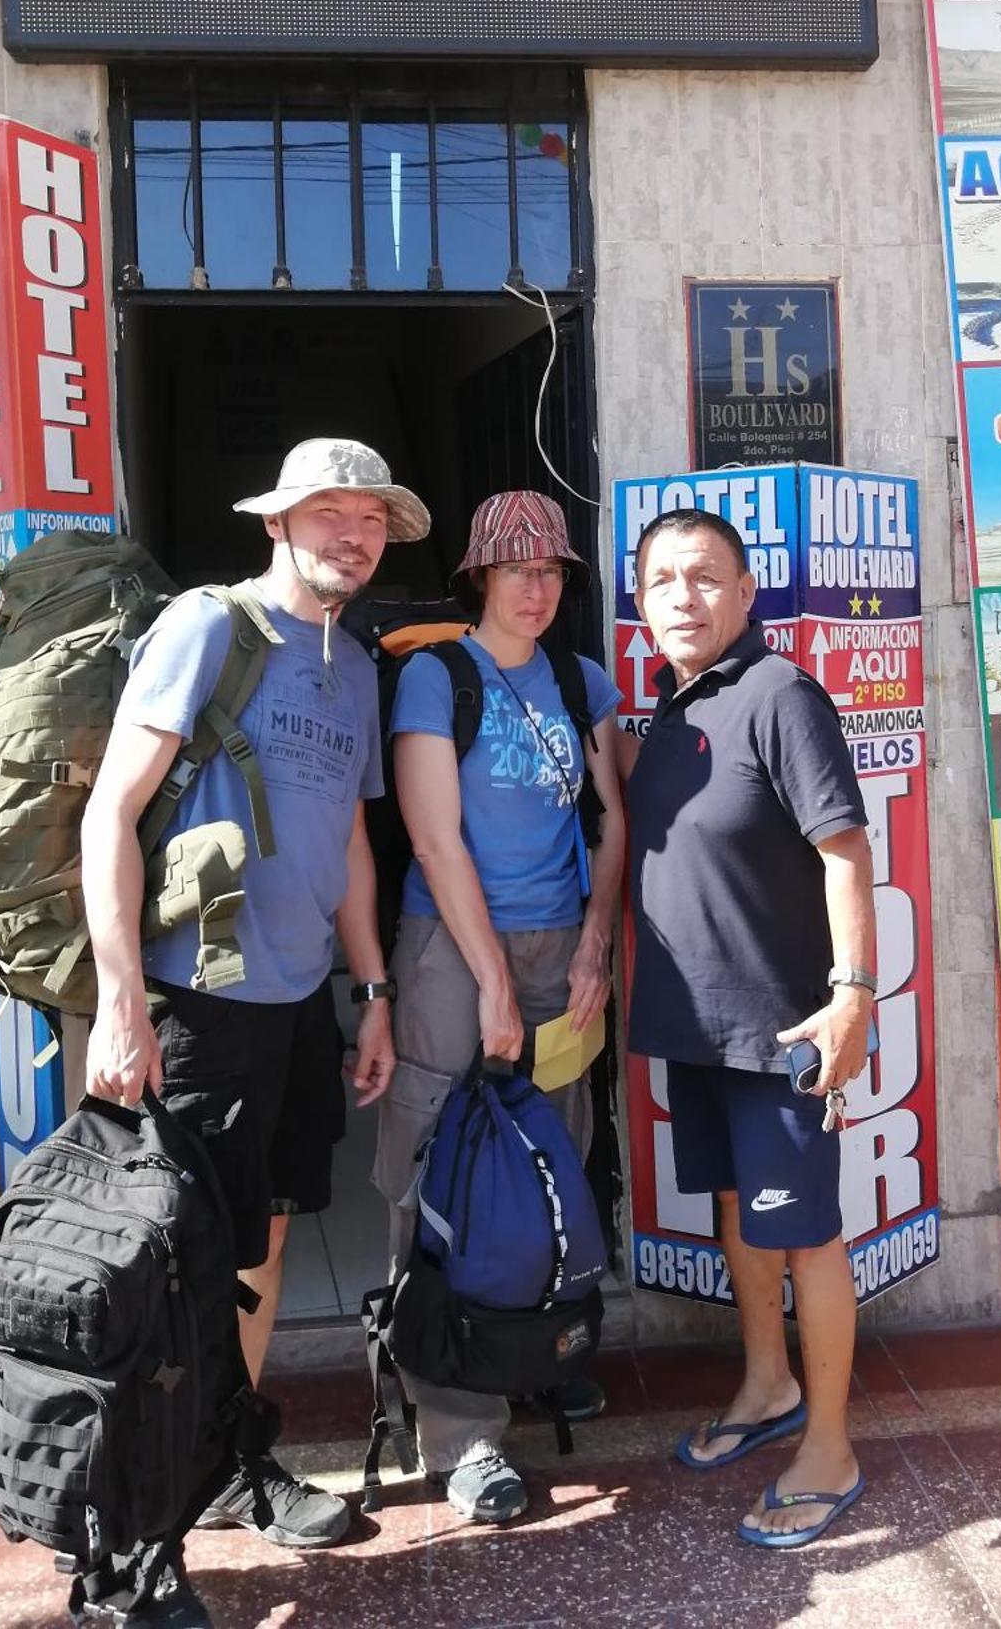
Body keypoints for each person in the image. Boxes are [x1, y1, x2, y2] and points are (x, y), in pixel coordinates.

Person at [81, 438, 428, 1626]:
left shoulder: (355, 664)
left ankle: (225, 1462)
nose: (353, 533)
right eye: (329, 511)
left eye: (371, 517)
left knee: (257, 1247)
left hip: (291, 1005)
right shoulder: (210, 630)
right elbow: (110, 812)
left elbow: (343, 845)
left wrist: (372, 987)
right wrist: (124, 998)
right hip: (194, 1002)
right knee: (169, 1274)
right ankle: (126, 1552)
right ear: (278, 521)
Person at [374, 489, 624, 1527]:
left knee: (553, 1158)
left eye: (553, 569)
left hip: (563, 947)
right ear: (479, 573)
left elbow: (617, 819)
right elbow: (436, 839)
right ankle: (458, 1420)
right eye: (517, 567)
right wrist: (485, 978)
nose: (538, 584)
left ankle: (533, 1348)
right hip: (450, 946)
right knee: (446, 1163)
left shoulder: (581, 678)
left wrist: (598, 939)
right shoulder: (437, 677)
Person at [626, 507, 875, 1550]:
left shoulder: (781, 695)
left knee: (805, 1230)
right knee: (738, 1207)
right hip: (699, 1025)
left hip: (783, 1026)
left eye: (705, 576)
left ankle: (830, 1445)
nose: (682, 596)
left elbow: (845, 850)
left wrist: (855, 991)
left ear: (746, 593)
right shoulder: (670, 711)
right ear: (640, 602)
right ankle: (766, 1382)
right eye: (663, 580)